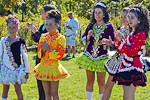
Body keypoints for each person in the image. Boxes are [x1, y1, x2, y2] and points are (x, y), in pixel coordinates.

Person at [75, 2, 114, 100]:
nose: (97, 15)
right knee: (89, 80)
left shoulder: (109, 26)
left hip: (101, 58)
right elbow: (83, 40)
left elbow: (113, 42)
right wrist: (88, 35)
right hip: (89, 57)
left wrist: (108, 42)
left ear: (104, 14)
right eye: (95, 12)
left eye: (99, 12)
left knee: (101, 82)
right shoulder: (91, 25)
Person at [112, 4, 149, 100]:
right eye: (129, 17)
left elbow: (131, 51)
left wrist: (120, 41)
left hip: (133, 68)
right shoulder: (130, 33)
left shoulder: (141, 34)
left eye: (132, 18)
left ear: (139, 19)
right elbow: (122, 49)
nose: (129, 20)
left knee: (127, 97)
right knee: (129, 97)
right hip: (126, 67)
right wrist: (117, 39)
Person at [34, 10, 70, 100]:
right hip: (43, 67)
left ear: (57, 25)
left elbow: (60, 56)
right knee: (46, 92)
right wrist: (42, 49)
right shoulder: (43, 36)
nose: (48, 26)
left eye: (50, 24)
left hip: (54, 68)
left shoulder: (60, 38)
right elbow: (38, 54)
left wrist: (49, 50)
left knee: (54, 93)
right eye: (46, 24)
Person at [26, 5, 56, 100]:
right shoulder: (43, 26)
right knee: (40, 83)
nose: (41, 14)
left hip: (49, 59)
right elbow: (37, 39)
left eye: (42, 12)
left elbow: (48, 40)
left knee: (48, 87)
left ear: (48, 13)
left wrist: (35, 31)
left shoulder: (55, 26)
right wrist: (33, 30)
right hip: (40, 57)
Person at [101, 7, 130, 100]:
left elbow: (130, 47)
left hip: (127, 61)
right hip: (117, 60)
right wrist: (111, 43)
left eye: (125, 17)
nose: (123, 19)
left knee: (127, 89)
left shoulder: (133, 31)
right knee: (108, 85)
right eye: (122, 17)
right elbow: (117, 45)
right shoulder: (119, 29)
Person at [0, 14, 31, 100]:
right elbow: (0, 54)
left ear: (18, 28)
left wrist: (27, 70)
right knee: (5, 89)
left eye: (14, 28)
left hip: (16, 69)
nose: (11, 30)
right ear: (7, 28)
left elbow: (25, 56)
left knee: (18, 89)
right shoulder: (3, 40)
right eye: (10, 28)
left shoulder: (21, 41)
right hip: (5, 68)